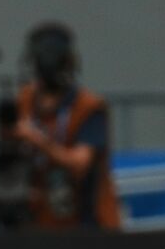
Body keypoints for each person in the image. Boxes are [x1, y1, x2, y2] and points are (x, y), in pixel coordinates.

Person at [12, 23, 122, 229]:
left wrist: (38, 140)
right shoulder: (24, 101)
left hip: (87, 221)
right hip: (40, 219)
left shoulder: (88, 106)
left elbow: (80, 164)